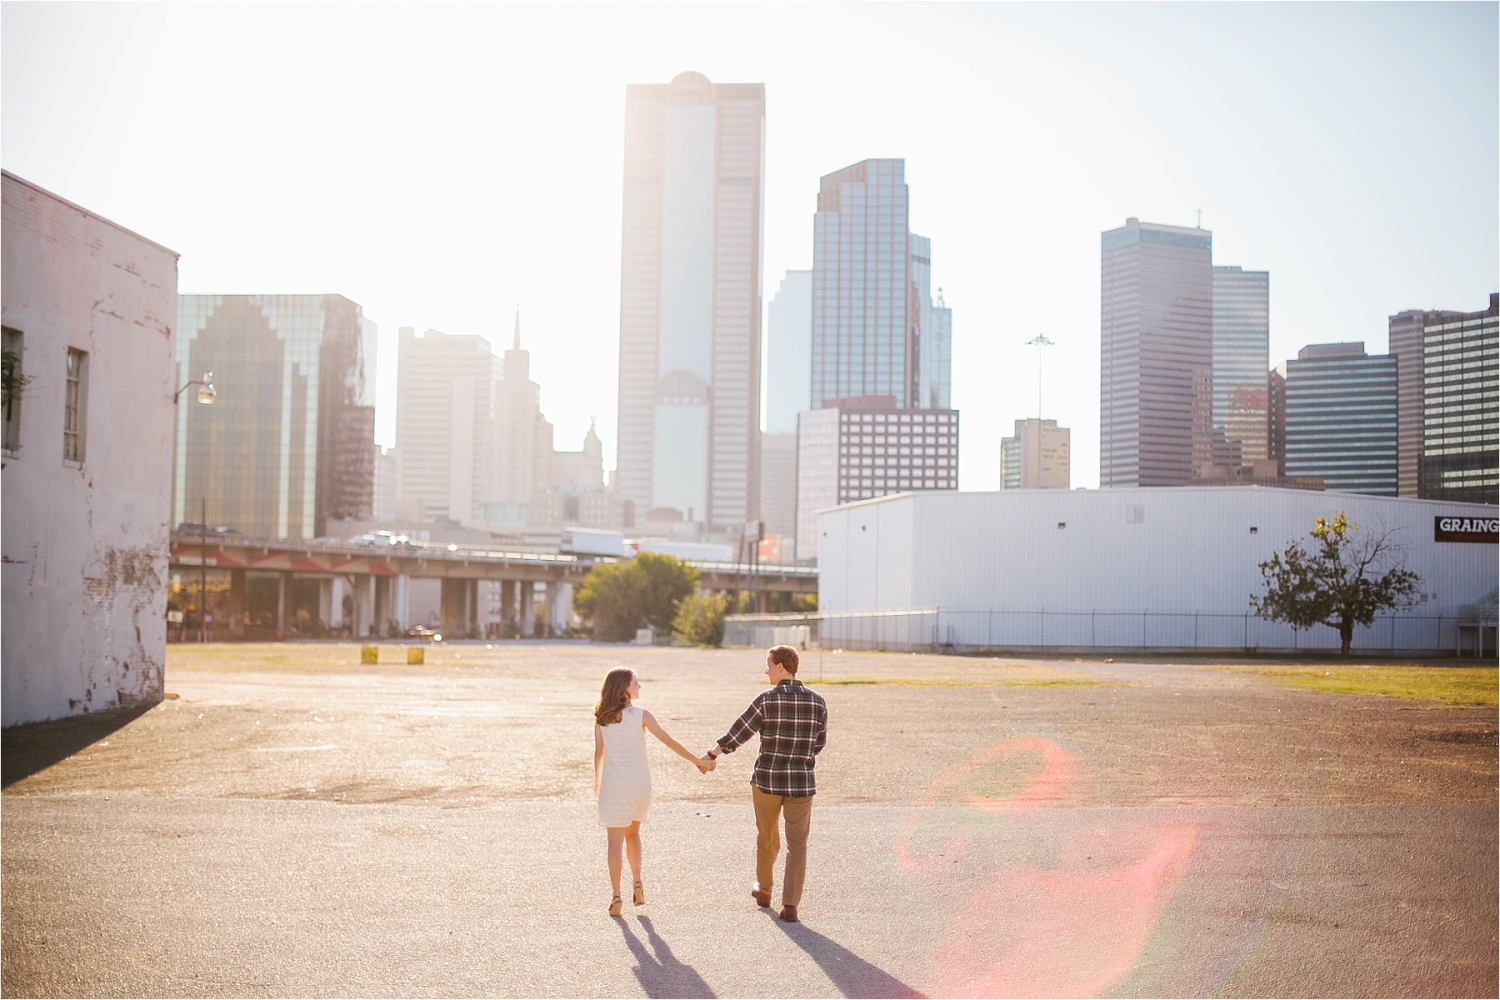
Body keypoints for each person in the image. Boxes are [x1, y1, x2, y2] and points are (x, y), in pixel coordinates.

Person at [702, 645, 827, 923]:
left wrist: (712, 754)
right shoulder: (818, 702)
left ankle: (764, 890)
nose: (766, 670)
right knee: (798, 844)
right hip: (801, 783)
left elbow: (739, 732)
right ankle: (790, 905)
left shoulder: (766, 700)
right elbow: (819, 743)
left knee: (767, 836)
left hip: (767, 780)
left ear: (781, 667)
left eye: (769, 665)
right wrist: (800, 757)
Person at [594, 666, 710, 917]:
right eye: (635, 683)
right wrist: (697, 761)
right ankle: (637, 881)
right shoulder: (642, 716)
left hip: (613, 786)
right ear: (623, 688)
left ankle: (616, 895)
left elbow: (599, 753)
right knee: (633, 833)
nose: (639, 687)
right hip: (638, 784)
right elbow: (669, 742)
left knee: (614, 841)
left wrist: (597, 781)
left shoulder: (602, 718)